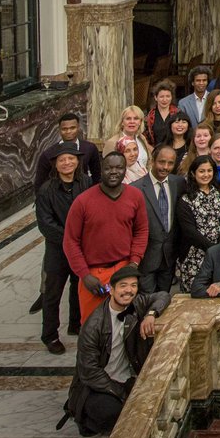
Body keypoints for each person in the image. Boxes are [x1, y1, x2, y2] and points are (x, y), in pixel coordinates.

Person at [64, 265, 169, 436]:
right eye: (123, 286)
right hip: (101, 385)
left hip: (126, 377)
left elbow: (163, 295)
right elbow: (89, 372)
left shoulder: (136, 304)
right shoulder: (93, 326)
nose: (129, 290)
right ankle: (85, 419)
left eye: (133, 285)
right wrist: (120, 393)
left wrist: (151, 314)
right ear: (111, 290)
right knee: (116, 414)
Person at [62, 152, 150, 323]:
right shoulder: (83, 201)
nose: (114, 172)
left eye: (119, 167)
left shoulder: (135, 196)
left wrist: (134, 263)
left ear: (125, 170)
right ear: (101, 170)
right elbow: (70, 241)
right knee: (92, 325)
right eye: (108, 168)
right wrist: (84, 275)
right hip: (94, 274)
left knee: (126, 324)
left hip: (124, 269)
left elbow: (141, 231)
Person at [36, 148, 84, 353]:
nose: (67, 163)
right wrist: (70, 239)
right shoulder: (46, 190)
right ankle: (50, 336)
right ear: (55, 164)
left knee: (78, 286)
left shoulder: (85, 184)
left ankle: (76, 323)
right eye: (62, 160)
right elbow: (45, 224)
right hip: (57, 250)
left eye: (70, 159)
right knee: (52, 293)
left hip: (81, 247)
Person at [133, 146, 184, 294]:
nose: (165, 167)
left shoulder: (179, 184)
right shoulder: (136, 189)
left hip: (169, 258)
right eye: (162, 162)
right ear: (153, 161)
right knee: (146, 303)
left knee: (163, 302)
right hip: (146, 258)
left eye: (170, 163)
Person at [175, 155, 220, 292]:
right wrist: (212, 249)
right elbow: (189, 231)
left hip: (218, 251)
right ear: (193, 173)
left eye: (209, 171)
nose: (206, 175)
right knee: (194, 295)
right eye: (201, 171)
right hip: (193, 254)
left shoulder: (219, 193)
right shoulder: (185, 199)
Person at [34, 113, 101, 191]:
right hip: (58, 196)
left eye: (72, 128)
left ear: (78, 127)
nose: (68, 131)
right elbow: (39, 183)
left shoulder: (90, 148)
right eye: (64, 129)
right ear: (59, 130)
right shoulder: (48, 154)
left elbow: (97, 175)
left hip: (84, 192)